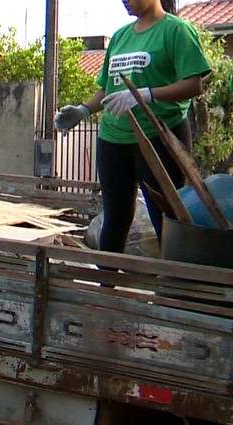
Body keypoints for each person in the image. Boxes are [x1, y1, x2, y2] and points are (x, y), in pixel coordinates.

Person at [54, 0, 209, 253]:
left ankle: (170, 278)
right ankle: (107, 276)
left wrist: (146, 94)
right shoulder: (119, 37)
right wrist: (83, 110)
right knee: (115, 219)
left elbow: (194, 84)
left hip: (159, 137)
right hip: (114, 139)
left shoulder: (176, 31)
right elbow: (107, 89)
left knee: (167, 220)